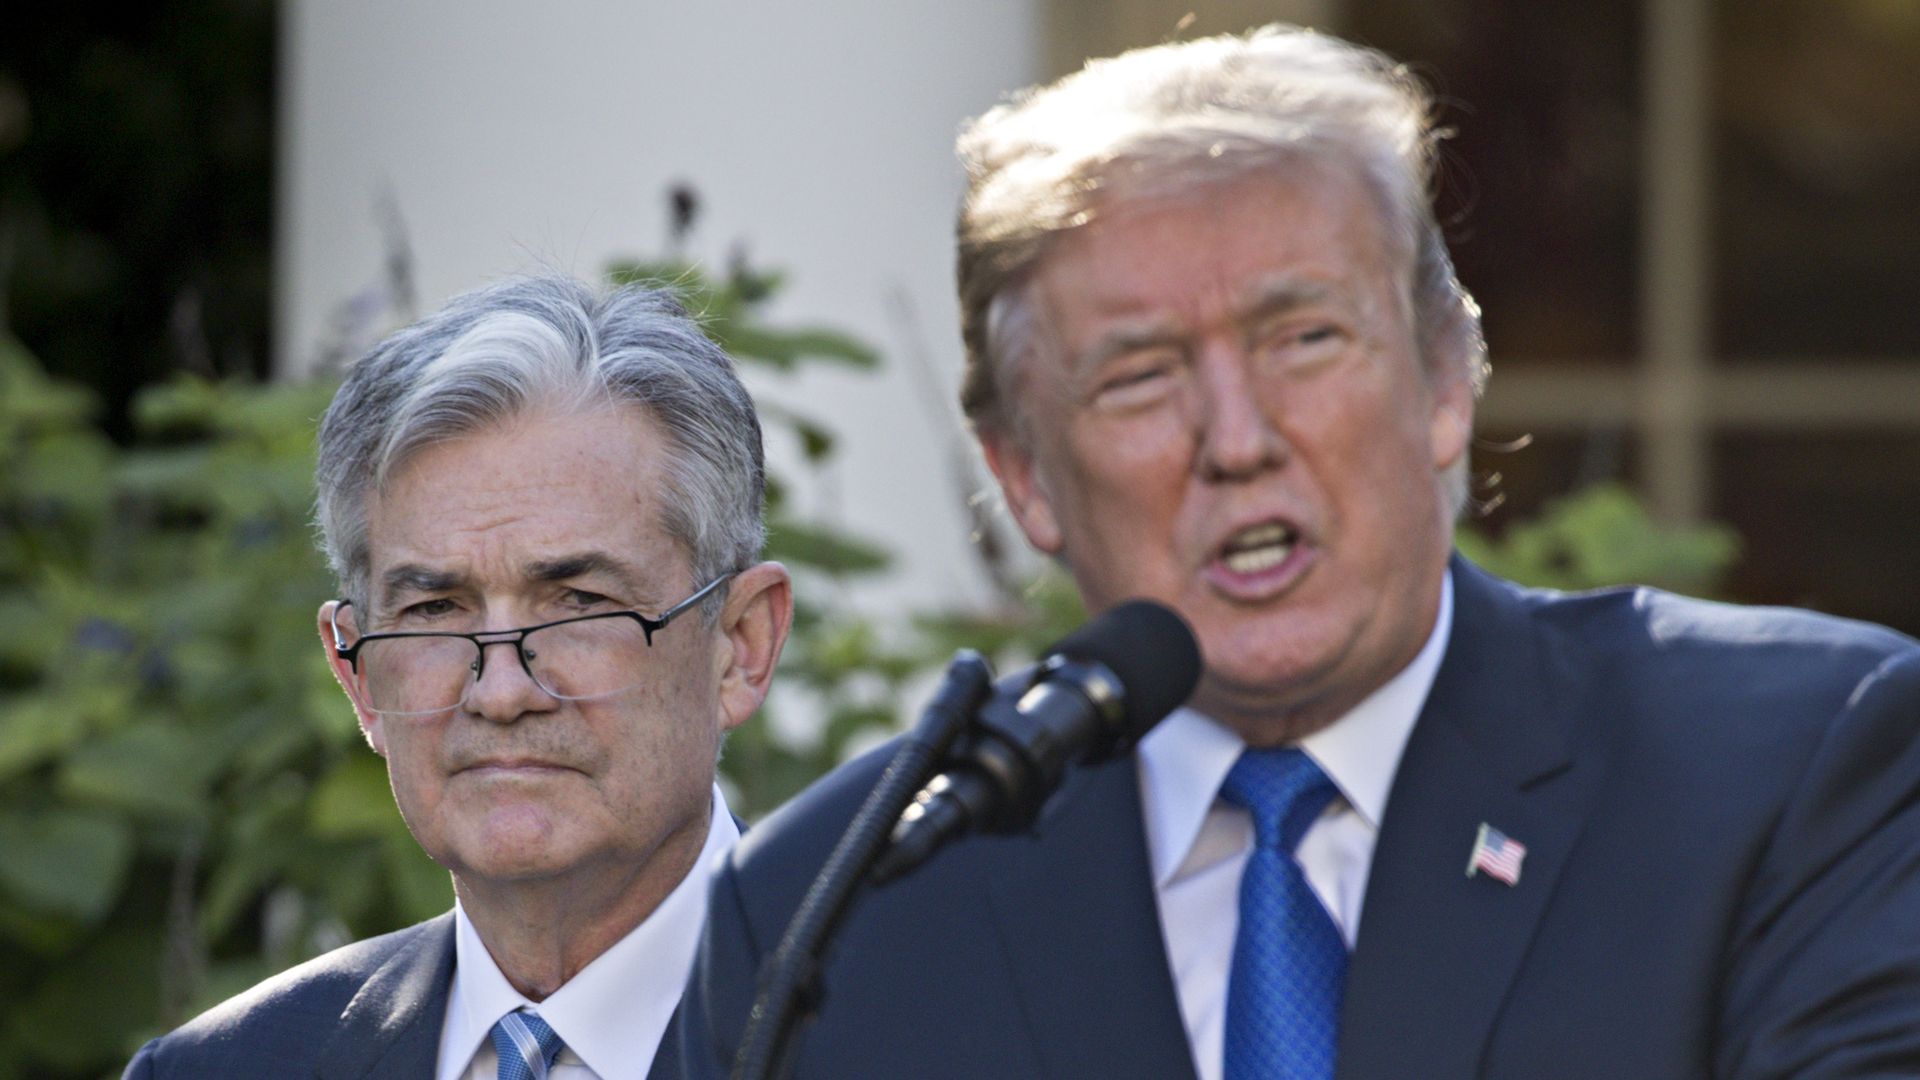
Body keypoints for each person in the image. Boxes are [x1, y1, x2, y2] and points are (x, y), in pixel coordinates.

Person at [677, 25, 1920, 1080]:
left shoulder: (1794, 770)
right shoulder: (835, 913)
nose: (1238, 437)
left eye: (1304, 338)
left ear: (1447, 375)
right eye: (1141, 375)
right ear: (1023, 476)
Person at [127, 275, 792, 1079]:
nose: (503, 691)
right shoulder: (221, 1072)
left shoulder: (935, 1034)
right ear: (359, 676)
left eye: (578, 603)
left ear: (740, 644)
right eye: (436, 610)